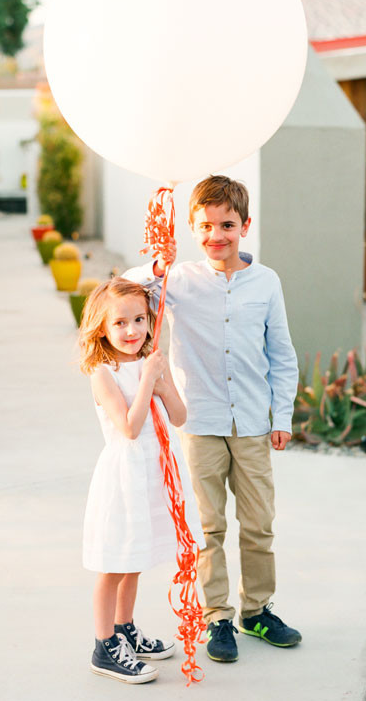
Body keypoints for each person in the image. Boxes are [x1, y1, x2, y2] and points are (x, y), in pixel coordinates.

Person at [124, 175, 301, 663]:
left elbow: (281, 354)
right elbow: (126, 291)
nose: (216, 235)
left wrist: (282, 414)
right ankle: (217, 616)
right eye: (205, 226)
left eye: (226, 225)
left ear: (245, 225)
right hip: (199, 422)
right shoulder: (177, 280)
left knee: (259, 523)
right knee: (208, 527)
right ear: (192, 229)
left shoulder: (266, 282)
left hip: (253, 423)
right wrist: (156, 265)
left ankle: (256, 610)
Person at [79, 277, 205, 683]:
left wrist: (162, 383)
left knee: (134, 560)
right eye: (119, 323)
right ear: (102, 328)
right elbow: (130, 428)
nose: (131, 330)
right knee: (114, 564)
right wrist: (149, 379)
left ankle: (124, 628)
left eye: (138, 319)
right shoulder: (103, 373)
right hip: (124, 478)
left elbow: (179, 417)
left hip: (154, 472)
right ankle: (104, 646)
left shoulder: (149, 362)